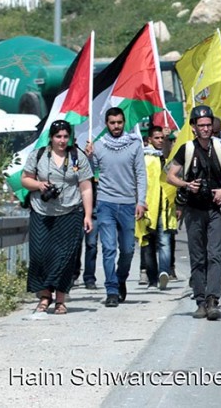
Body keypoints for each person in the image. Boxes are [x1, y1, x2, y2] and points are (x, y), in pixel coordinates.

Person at [166, 105, 221, 321]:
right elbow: (171, 176)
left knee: (214, 255)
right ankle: (199, 301)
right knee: (198, 256)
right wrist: (187, 185)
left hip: (215, 209)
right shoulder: (186, 149)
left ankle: (213, 300)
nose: (205, 129)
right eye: (201, 125)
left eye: (208, 125)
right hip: (194, 210)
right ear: (194, 127)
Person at [21, 120, 94, 316]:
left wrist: (88, 215)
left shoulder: (78, 156)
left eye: (65, 136)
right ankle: (44, 296)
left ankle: (60, 299)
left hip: (70, 212)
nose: (62, 140)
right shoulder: (38, 155)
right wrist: (39, 185)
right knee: (39, 255)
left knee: (65, 257)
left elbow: (86, 188)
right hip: (42, 211)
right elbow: (25, 179)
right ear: (51, 138)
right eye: (58, 136)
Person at [85, 108, 147, 308]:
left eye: (119, 122)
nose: (116, 126)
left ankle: (121, 279)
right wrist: (88, 156)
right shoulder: (99, 146)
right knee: (109, 248)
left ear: (124, 122)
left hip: (128, 203)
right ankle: (111, 289)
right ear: (106, 124)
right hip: (106, 204)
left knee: (128, 250)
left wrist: (141, 201)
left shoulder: (134, 144)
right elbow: (87, 173)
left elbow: (141, 174)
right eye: (112, 123)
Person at [138, 126, 178, 290]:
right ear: (149, 140)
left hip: (166, 207)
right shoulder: (144, 158)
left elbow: (170, 157)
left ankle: (164, 272)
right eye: (157, 138)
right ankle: (152, 279)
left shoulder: (168, 158)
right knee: (147, 243)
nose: (160, 141)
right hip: (148, 207)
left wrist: (169, 141)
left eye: (162, 138)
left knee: (165, 242)